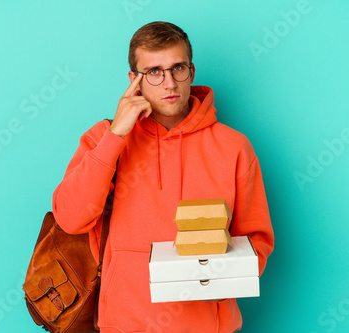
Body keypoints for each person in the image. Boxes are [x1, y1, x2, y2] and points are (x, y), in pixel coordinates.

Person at [52, 21, 274, 333]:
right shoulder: (104, 138)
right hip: (123, 323)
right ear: (134, 81)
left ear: (191, 72)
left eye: (177, 68)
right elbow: (71, 218)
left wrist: (214, 280)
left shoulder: (234, 146)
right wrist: (117, 134)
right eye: (154, 72)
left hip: (208, 325)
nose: (169, 83)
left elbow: (256, 242)